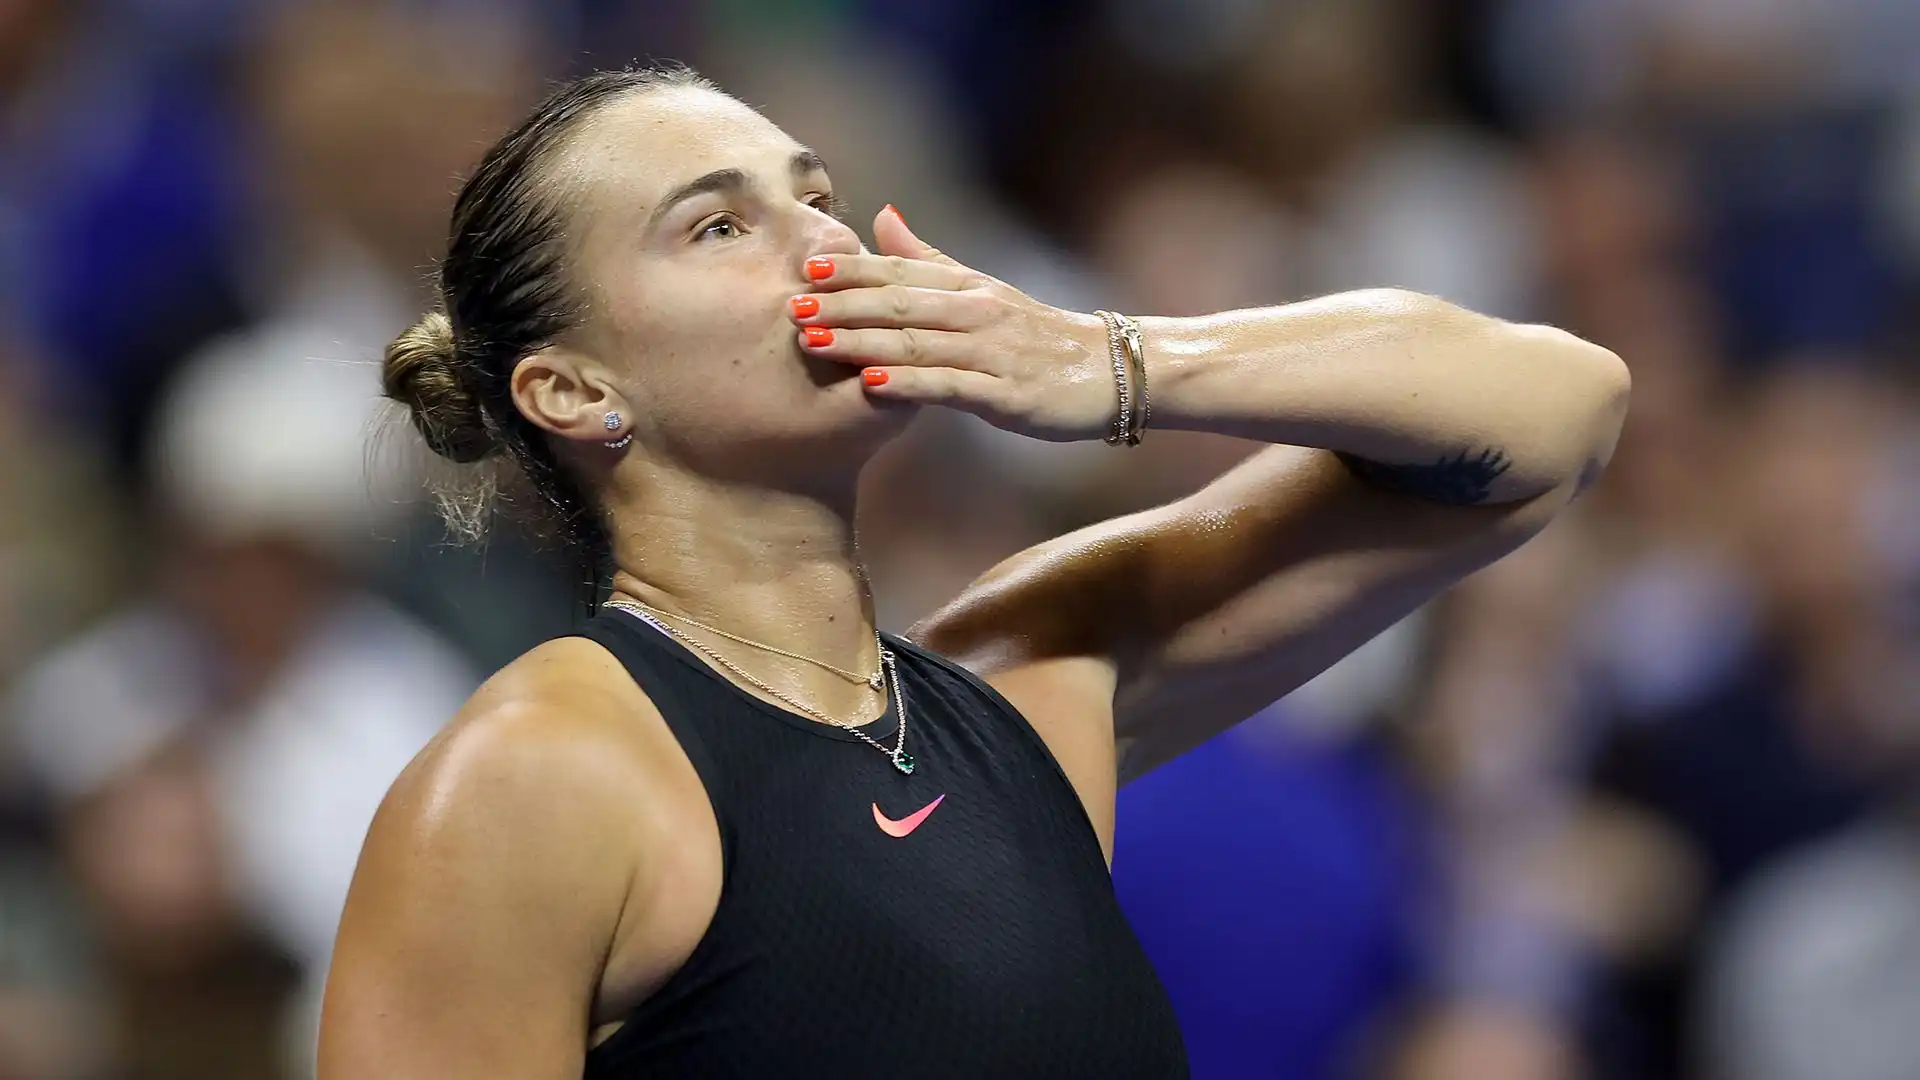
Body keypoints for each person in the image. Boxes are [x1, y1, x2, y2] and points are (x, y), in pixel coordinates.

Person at [318, 65, 1629, 1079]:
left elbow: (1554, 415)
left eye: (817, 198)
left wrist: (1116, 361)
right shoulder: (540, 770)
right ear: (574, 388)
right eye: (719, 227)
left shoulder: (1030, 685)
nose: (824, 250)